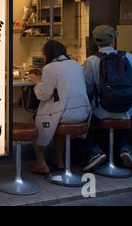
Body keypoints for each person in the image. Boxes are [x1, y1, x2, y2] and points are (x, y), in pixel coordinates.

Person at [78, 25, 132, 171]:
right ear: (113, 40)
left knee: (81, 118)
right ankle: (125, 149)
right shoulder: (128, 56)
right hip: (126, 108)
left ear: (96, 42)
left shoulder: (91, 60)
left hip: (102, 110)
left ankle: (94, 151)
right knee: (123, 114)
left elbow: (87, 88)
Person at [27, 39, 91, 174]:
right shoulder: (76, 65)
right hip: (82, 114)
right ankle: (59, 160)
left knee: (32, 122)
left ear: (48, 54)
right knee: (57, 121)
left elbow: (44, 95)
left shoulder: (49, 68)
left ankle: (41, 163)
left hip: (63, 114)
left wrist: (37, 81)